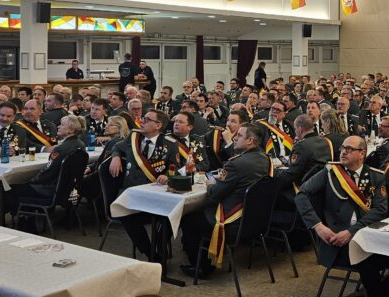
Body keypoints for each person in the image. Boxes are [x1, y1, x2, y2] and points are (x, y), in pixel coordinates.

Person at [296, 136, 389, 295]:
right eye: (343, 148)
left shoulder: (376, 176)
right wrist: (318, 226)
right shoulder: (330, 173)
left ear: (362, 153)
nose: (343, 152)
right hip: (337, 240)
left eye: (349, 149)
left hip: (366, 234)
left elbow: (380, 210)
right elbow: (301, 195)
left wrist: (352, 231)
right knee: (369, 262)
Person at [178, 124, 272, 277]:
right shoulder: (265, 159)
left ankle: (202, 267)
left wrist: (210, 184)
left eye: (239, 136)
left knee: (188, 218)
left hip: (231, 222)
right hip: (254, 220)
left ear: (250, 140)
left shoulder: (235, 163)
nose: (234, 138)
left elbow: (214, 194)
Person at [113, 110, 180, 260]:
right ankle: (150, 253)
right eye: (143, 118)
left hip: (156, 193)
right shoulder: (133, 137)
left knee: (173, 213)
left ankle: (160, 247)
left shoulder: (170, 144)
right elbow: (117, 147)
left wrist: (167, 175)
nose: (142, 121)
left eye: (147, 119)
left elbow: (175, 166)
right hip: (132, 192)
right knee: (125, 216)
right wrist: (116, 157)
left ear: (158, 125)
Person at [4, 115, 86, 228]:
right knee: (24, 187)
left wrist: (30, 180)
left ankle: (25, 222)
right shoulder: (80, 144)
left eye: (62, 125)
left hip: (51, 190)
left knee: (10, 188)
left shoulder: (60, 149)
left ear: (71, 130)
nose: (58, 126)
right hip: (68, 189)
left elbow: (48, 173)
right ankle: (27, 219)